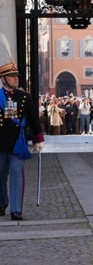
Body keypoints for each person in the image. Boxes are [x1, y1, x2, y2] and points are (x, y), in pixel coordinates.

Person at [0, 58, 44, 220]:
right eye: (12, 76)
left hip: (18, 143)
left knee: (17, 174)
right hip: (0, 143)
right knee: (0, 175)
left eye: (17, 76)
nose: (16, 79)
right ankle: (2, 202)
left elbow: (33, 118)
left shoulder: (24, 97)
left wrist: (39, 139)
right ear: (3, 79)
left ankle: (16, 209)